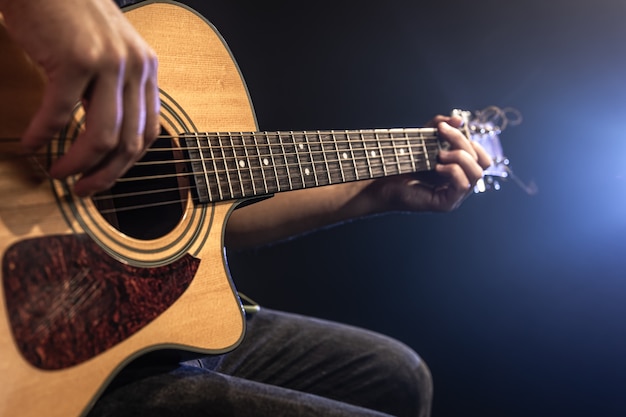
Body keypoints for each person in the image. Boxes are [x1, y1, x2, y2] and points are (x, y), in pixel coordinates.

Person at [0, 0, 492, 416]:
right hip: (41, 344)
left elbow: (214, 206)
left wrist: (378, 193)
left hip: (119, 321)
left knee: (398, 375)